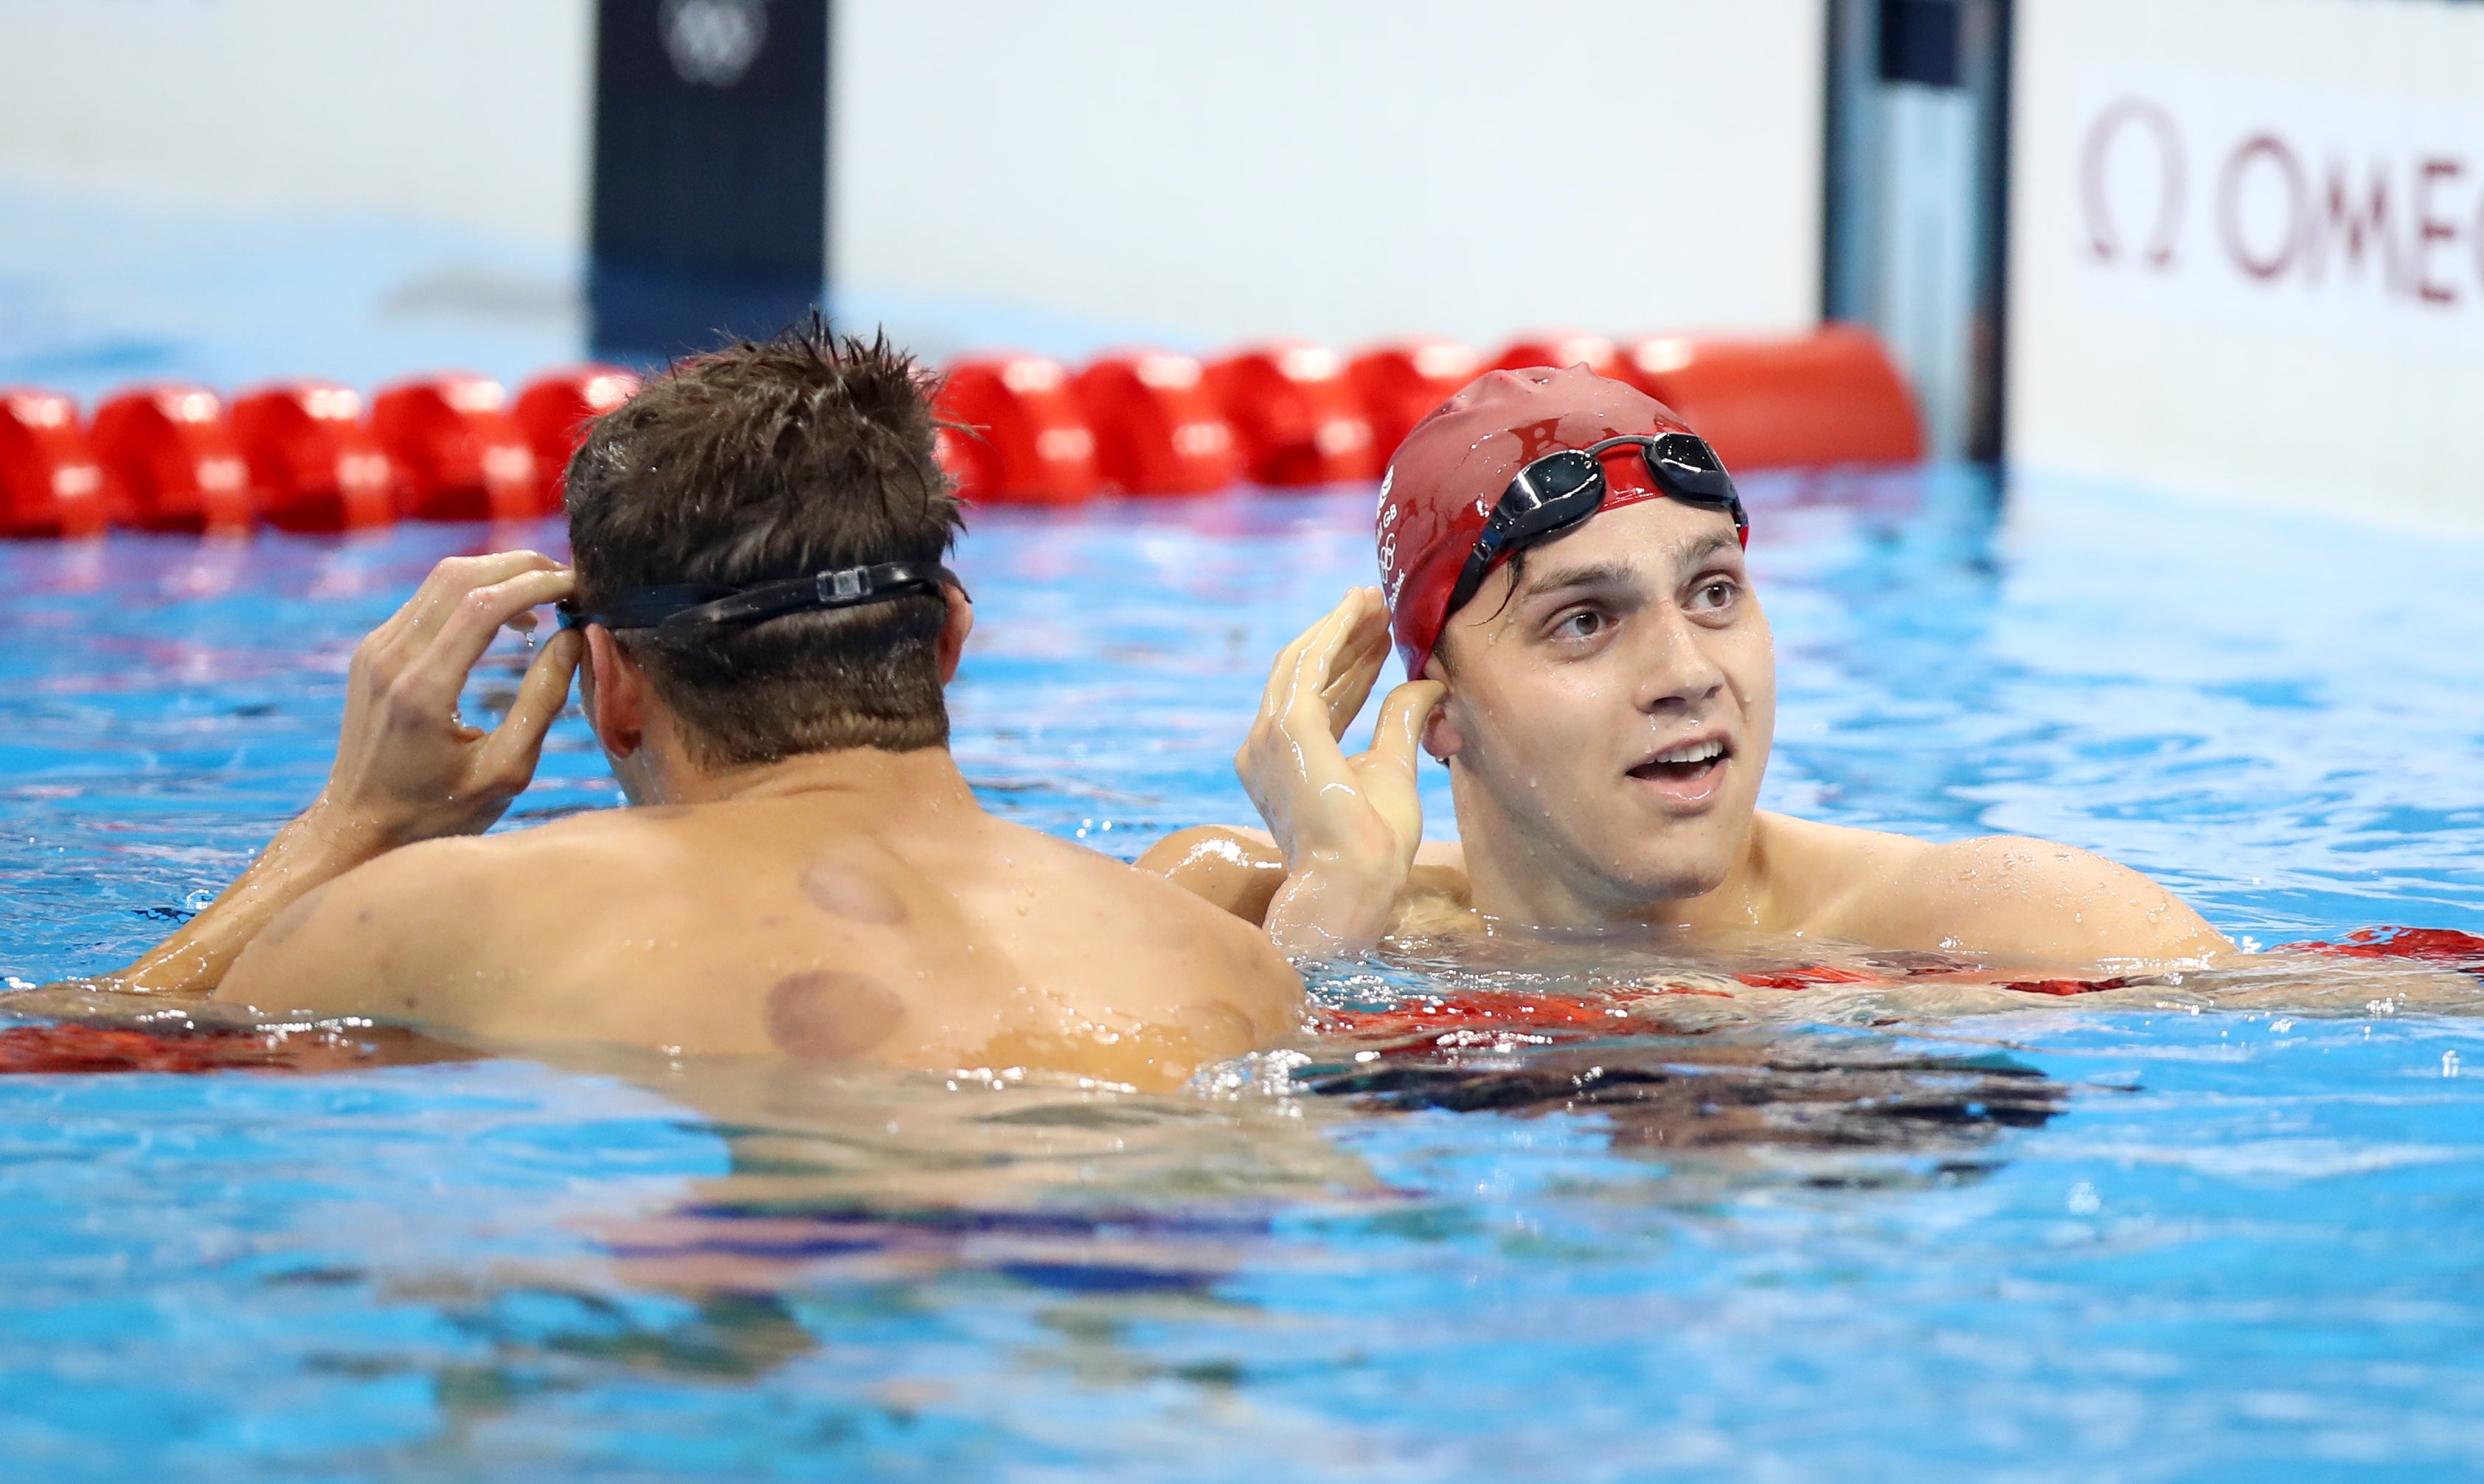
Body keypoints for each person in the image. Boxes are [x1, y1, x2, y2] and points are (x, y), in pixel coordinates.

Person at [109, 323, 1299, 1089]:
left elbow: (79, 1056)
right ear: (948, 635)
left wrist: (349, 831)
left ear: (613, 687)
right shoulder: (1237, 970)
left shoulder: (446, 916)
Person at [1142, 365, 2233, 969]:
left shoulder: (1999, 926)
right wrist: (1326, 936)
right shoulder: (1232, 911)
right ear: (1438, 712)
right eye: (1584, 622)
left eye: (1714, 594)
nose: (1687, 672)